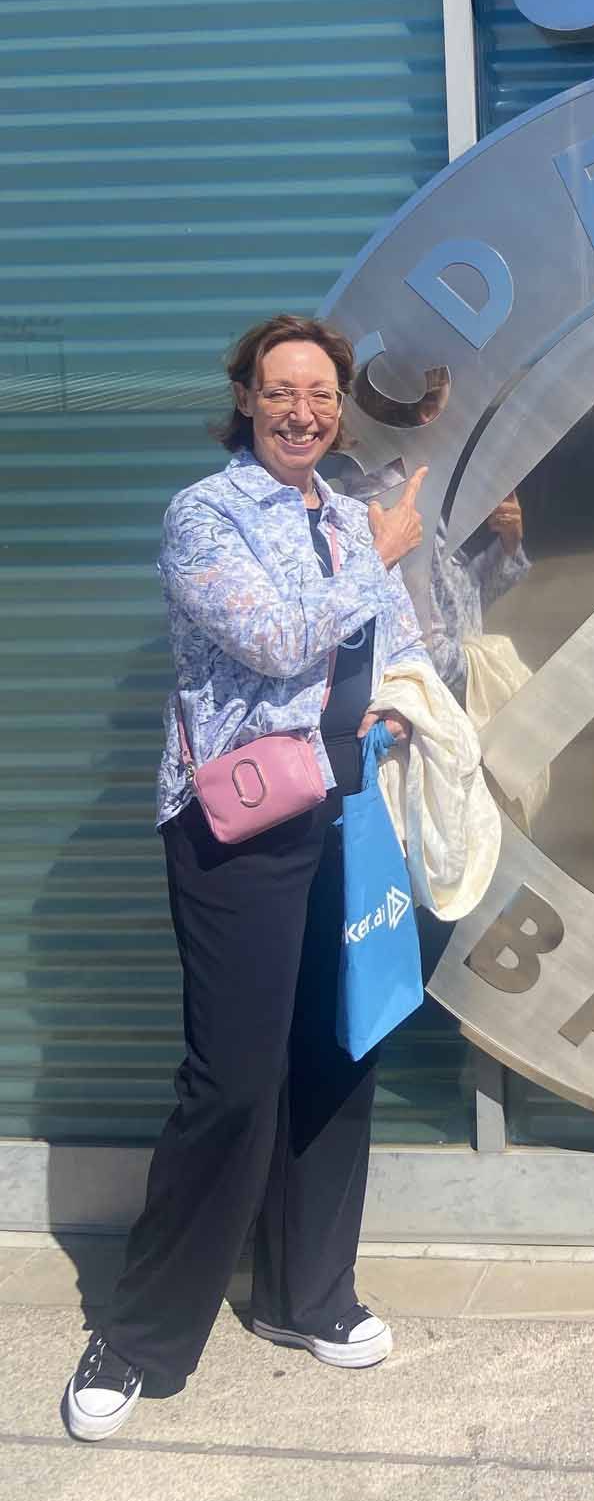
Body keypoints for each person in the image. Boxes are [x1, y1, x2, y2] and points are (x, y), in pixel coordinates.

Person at [65, 314, 433, 1441]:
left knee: (337, 1053)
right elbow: (275, 641)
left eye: (321, 394)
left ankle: (305, 1294)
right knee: (230, 1079)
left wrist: (399, 702)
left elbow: (403, 643)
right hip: (238, 825)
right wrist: (378, 555)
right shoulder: (205, 515)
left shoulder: (349, 516)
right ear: (246, 398)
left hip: (348, 814)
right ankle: (138, 1337)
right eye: (282, 391)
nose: (303, 413)